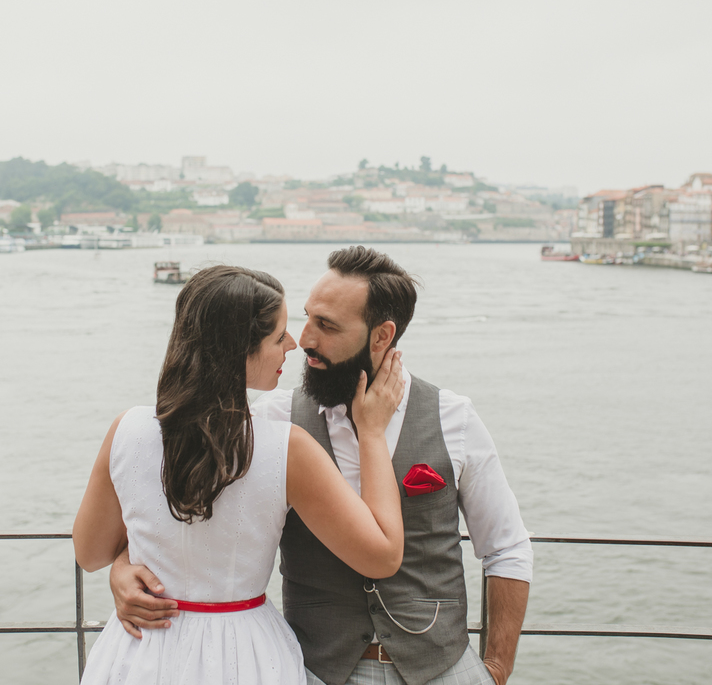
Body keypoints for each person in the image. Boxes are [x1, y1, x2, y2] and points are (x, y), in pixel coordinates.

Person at [112, 247, 533, 685]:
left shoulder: (454, 417)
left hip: (445, 668)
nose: (304, 339)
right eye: (308, 316)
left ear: (382, 335)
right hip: (314, 670)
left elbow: (506, 549)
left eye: (326, 326)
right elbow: (188, 509)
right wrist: (123, 568)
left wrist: (497, 668)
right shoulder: (270, 418)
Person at [73, 264, 409, 685]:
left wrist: (127, 563)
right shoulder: (287, 447)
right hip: (242, 654)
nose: (293, 344)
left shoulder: (126, 429)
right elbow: (382, 556)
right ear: (238, 350)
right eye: (277, 336)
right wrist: (372, 433)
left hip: (141, 650)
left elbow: (89, 553)